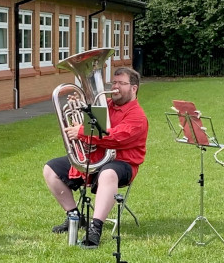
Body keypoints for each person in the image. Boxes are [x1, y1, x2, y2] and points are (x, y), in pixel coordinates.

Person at [43, 66, 148, 248]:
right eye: (114, 82)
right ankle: (74, 217)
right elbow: (91, 130)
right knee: (50, 169)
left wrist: (81, 131)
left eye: (121, 83)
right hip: (97, 156)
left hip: (123, 163)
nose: (115, 87)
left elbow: (116, 137)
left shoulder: (137, 116)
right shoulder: (103, 105)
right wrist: (81, 108)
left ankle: (95, 228)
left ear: (133, 88)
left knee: (108, 174)